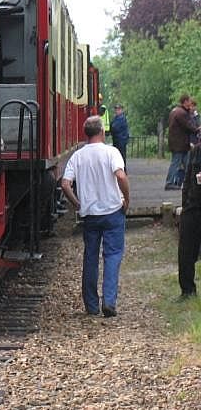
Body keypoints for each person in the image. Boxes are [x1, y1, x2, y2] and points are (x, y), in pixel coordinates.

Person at [61, 115, 130, 317]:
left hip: (90, 214)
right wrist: (126, 198)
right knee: (113, 255)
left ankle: (91, 305)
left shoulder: (78, 156)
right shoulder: (111, 152)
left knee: (90, 257)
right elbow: (121, 175)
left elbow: (65, 184)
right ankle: (109, 301)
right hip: (112, 211)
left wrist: (77, 203)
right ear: (102, 131)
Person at [178, 142, 201, 300]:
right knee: (185, 251)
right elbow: (187, 178)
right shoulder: (195, 152)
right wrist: (185, 203)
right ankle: (187, 290)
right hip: (192, 207)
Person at [165, 94, 195, 190]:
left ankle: (191, 182)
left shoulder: (174, 111)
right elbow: (189, 126)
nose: (191, 103)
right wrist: (198, 129)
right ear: (185, 101)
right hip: (180, 143)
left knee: (187, 163)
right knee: (176, 163)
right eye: (189, 101)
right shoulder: (182, 113)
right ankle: (169, 183)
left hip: (176, 142)